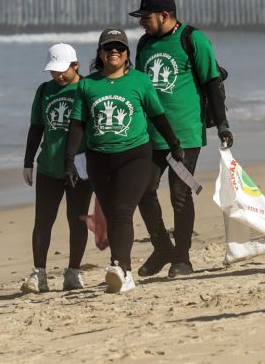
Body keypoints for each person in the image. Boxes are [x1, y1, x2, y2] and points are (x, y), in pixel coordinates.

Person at [63, 28, 183, 294]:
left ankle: (122, 269)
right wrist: (70, 159)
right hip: (99, 159)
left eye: (119, 47)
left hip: (135, 155)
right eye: (108, 47)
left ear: (127, 53)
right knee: (112, 213)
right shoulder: (87, 85)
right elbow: (78, 124)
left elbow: (157, 115)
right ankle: (119, 268)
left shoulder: (140, 81)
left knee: (122, 211)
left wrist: (174, 143)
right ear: (100, 53)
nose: (114, 51)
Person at [130, 0, 232, 277]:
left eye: (146, 18)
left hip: (185, 134)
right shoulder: (145, 44)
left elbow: (212, 82)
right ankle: (162, 247)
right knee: (143, 191)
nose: (142, 24)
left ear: (165, 15)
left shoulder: (192, 39)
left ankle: (182, 259)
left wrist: (223, 125)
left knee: (180, 195)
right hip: (150, 134)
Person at [20, 43, 93, 293]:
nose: (58, 76)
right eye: (53, 71)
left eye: (62, 71)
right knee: (43, 220)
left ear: (76, 65)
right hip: (49, 166)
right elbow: (36, 127)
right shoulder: (44, 91)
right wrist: (28, 162)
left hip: (80, 168)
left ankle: (73, 272)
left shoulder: (87, 88)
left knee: (78, 219)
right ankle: (39, 274)